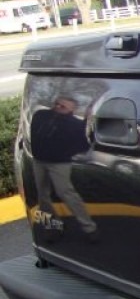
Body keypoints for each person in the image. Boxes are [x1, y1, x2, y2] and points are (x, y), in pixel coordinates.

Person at [30, 96, 98, 242]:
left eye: (63, 106)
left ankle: (89, 227)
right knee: (42, 197)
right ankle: (51, 227)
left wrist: (86, 122)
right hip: (39, 160)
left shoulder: (74, 125)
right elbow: (34, 132)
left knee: (65, 192)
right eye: (57, 104)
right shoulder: (41, 115)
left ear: (72, 109)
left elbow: (84, 146)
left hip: (59, 163)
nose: (58, 107)